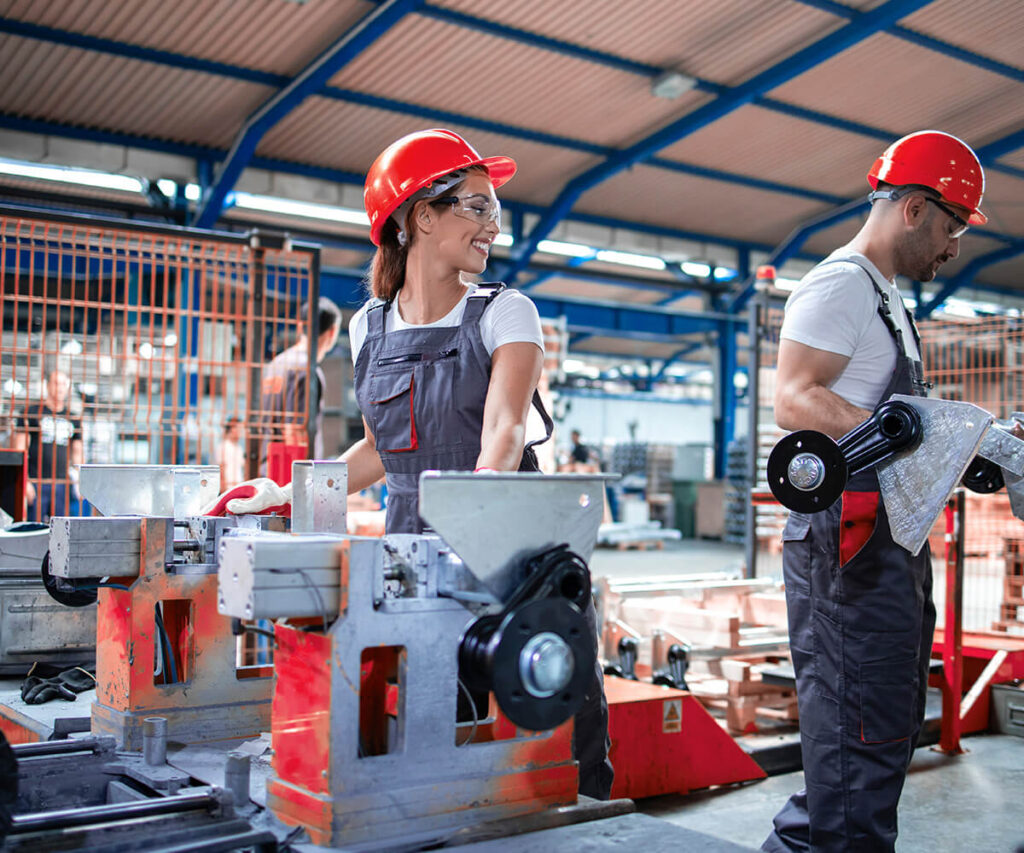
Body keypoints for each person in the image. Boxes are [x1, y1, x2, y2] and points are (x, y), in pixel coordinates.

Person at [214, 129, 614, 800]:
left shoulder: (506, 311)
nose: (493, 226)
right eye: (477, 207)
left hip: (509, 542)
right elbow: (380, 447)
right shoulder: (367, 327)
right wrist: (288, 492)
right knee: (436, 704)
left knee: (549, 698)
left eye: (494, 210)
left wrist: (474, 518)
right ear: (422, 216)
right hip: (412, 541)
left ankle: (584, 815)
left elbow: (505, 430)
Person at [764, 130, 986, 852]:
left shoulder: (887, 299)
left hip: (886, 545)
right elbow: (795, 399)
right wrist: (919, 441)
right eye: (952, 226)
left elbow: (899, 425)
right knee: (854, 739)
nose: (953, 247)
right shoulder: (841, 284)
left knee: (880, 726)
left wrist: (962, 445)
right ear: (915, 208)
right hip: (848, 545)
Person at [259, 297, 342, 482]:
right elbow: (295, 432)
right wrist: (305, 483)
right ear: (332, 332)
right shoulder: (307, 370)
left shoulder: (275, 365)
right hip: (290, 479)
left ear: (299, 327)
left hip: (267, 470)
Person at [13, 369, 83, 521]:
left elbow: (77, 453)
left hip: (62, 483)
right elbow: (19, 450)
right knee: (34, 527)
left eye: (63, 384)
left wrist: (80, 481)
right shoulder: (31, 413)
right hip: (36, 481)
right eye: (56, 383)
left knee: (62, 528)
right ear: (48, 385)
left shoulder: (73, 418)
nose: (60, 388)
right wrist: (25, 481)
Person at [216, 418, 245, 492]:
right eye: (239, 430)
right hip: (228, 487)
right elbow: (221, 467)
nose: (241, 433)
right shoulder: (223, 446)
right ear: (232, 429)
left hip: (238, 485)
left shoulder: (239, 448)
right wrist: (223, 486)